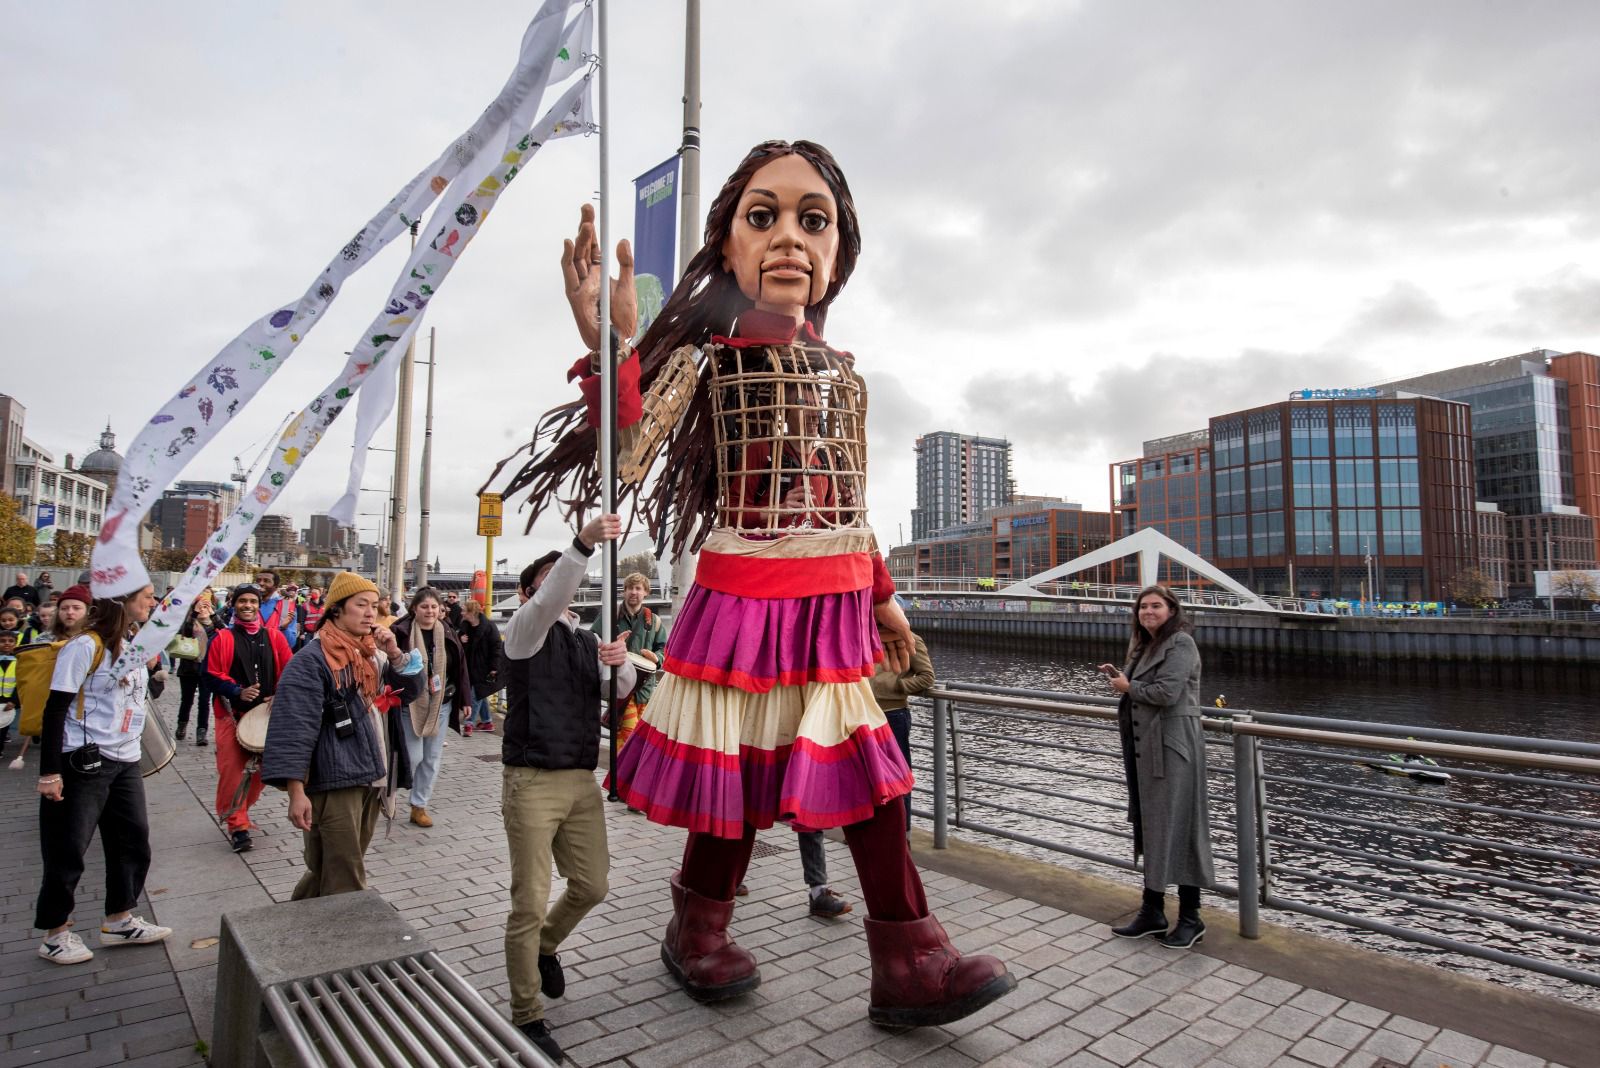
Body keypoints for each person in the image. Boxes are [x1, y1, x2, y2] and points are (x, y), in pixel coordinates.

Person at [499, 141, 1015, 1028]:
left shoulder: (841, 370)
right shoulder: (712, 357)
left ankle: (900, 960)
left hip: (833, 605)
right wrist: (610, 345)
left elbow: (846, 503)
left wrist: (883, 598)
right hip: (741, 600)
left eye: (813, 220)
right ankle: (723, 933)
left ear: (839, 253)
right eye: (762, 216)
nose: (788, 237)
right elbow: (627, 444)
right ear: (728, 248)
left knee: (871, 783)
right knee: (738, 784)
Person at [499, 516, 635, 1061]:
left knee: (592, 885)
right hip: (532, 779)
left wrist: (620, 666)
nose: (563, 583)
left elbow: (618, 691)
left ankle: (545, 949)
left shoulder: (584, 639)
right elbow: (553, 594)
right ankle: (526, 1014)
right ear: (532, 590)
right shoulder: (524, 629)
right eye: (550, 578)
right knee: (527, 902)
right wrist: (579, 547)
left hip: (580, 779)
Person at [261, 572, 423, 899]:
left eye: (374, 606)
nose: (369, 613)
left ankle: (294, 926)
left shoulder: (371, 654)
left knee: (333, 867)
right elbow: (293, 727)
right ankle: (347, 941)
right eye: (360, 605)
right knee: (345, 873)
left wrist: (393, 653)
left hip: (369, 772)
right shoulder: (312, 660)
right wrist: (296, 791)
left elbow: (409, 694)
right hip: (333, 779)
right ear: (336, 609)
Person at [33, 585, 172, 965]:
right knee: (68, 849)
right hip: (83, 762)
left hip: (125, 761)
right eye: (145, 596)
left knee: (132, 840)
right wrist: (49, 772)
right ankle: (55, 933)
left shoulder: (131, 644)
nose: (151, 602)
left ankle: (120, 919)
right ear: (120, 601)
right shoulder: (84, 646)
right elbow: (55, 709)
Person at [1100, 584, 1215, 950]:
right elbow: (1141, 685)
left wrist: (1127, 686)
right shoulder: (1145, 644)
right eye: (1142, 607)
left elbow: (1166, 692)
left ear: (1171, 610)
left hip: (1173, 748)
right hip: (1146, 747)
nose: (1148, 612)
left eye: (1155, 606)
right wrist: (1124, 679)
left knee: (1180, 827)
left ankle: (1191, 917)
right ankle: (1153, 911)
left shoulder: (1181, 643)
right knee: (1153, 826)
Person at [206, 583, 293, 852]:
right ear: (234, 604)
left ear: (258, 605)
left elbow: (290, 670)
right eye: (242, 601)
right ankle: (237, 824)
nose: (248, 606)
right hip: (231, 716)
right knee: (233, 770)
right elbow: (211, 675)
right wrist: (237, 691)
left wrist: (279, 695)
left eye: (253, 602)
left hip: (265, 717)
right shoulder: (222, 639)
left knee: (261, 774)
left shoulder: (274, 637)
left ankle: (240, 808)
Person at [391, 587, 471, 827]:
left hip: (441, 703)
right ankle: (388, 793)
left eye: (434, 607)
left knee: (431, 758)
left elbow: (460, 667)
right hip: (410, 703)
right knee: (413, 756)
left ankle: (419, 805)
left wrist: (466, 699)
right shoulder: (400, 632)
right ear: (414, 608)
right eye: (424, 606)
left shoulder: (447, 633)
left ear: (441, 610)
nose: (429, 611)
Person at [588, 571, 667, 752]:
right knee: (628, 736)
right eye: (630, 588)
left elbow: (663, 648)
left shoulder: (654, 621)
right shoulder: (610, 615)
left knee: (639, 739)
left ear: (645, 592)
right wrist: (610, 648)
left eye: (638, 588)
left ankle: (624, 776)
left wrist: (657, 658)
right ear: (624, 592)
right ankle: (619, 776)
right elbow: (592, 640)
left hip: (645, 689)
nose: (634, 592)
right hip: (621, 687)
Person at [869, 619, 935, 827]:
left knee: (900, 775)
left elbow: (927, 677)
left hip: (893, 714)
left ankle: (902, 831)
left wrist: (897, 686)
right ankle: (875, 828)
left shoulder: (911, 640)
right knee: (869, 774)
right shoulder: (867, 638)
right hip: (865, 715)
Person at [175, 592, 217, 745]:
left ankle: (202, 732)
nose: (203, 609)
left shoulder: (213, 624)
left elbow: (224, 632)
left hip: (206, 669)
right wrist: (195, 613)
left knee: (204, 701)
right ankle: (182, 726)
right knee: (187, 700)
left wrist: (212, 615)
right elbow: (184, 632)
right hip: (188, 669)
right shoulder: (189, 623)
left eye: (206, 606)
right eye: (201, 606)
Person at [456, 598, 502, 734]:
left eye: (464, 611)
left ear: (471, 612)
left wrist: (495, 667)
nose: (462, 613)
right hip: (469, 666)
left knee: (475, 695)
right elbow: (459, 646)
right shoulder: (464, 627)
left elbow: (496, 647)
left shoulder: (488, 626)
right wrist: (460, 640)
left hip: (484, 667)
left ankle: (468, 723)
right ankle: (487, 721)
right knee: (480, 694)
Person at [255, 570, 300, 648]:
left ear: (275, 586)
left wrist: (284, 628)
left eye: (266, 581)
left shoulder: (287, 606)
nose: (261, 583)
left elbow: (291, 643)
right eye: (258, 580)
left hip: (275, 656)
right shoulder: (247, 604)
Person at [0, 629, 18, 756]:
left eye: (11, 641)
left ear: (16, 643)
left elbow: (21, 684)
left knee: (2, 728)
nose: (7, 643)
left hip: (8, 701)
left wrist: (15, 701)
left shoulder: (20, 661)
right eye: (2, 641)